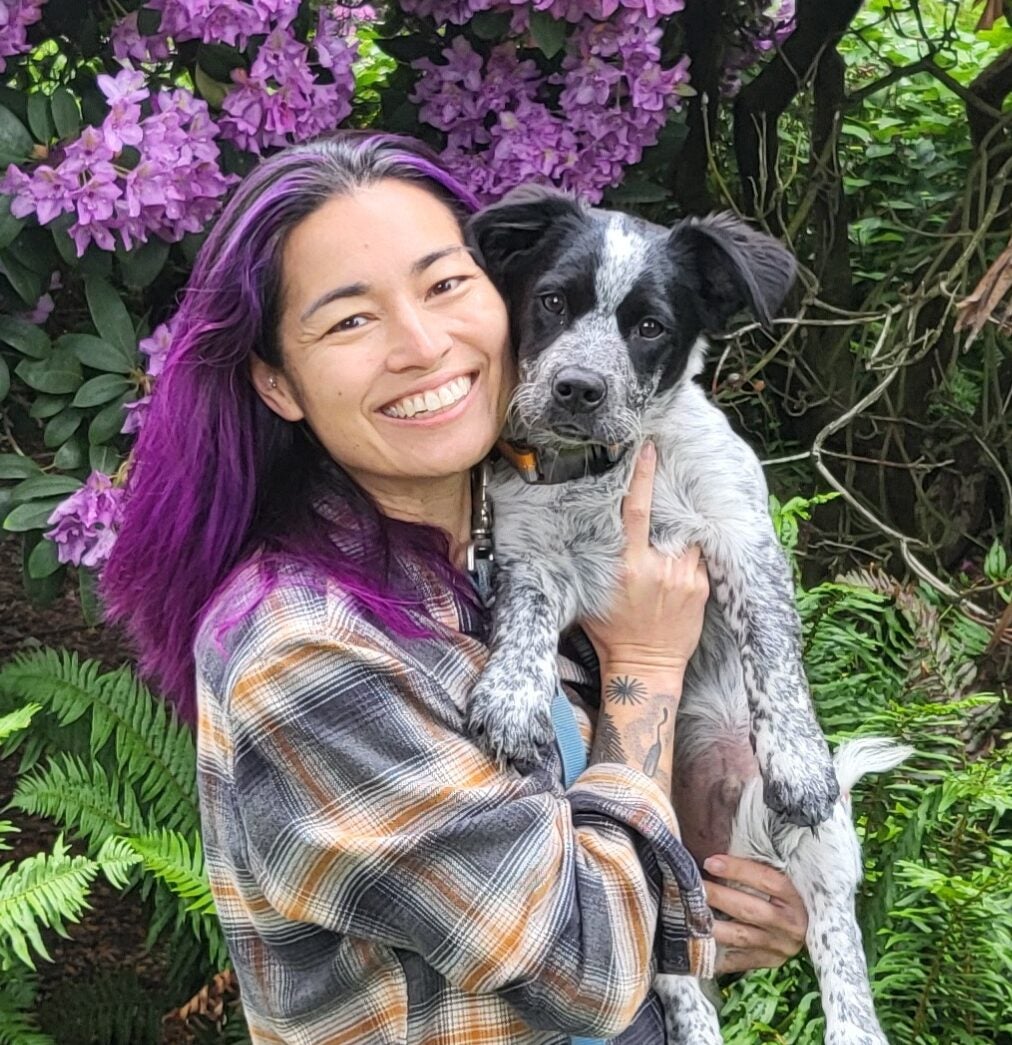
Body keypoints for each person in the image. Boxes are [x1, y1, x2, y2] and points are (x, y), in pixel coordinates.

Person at [101, 131, 807, 1044]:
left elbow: (598, 863)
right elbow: (586, 968)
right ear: (278, 382)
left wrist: (723, 908)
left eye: (443, 285)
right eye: (350, 321)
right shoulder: (302, 650)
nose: (424, 344)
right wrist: (644, 665)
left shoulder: (502, 555)